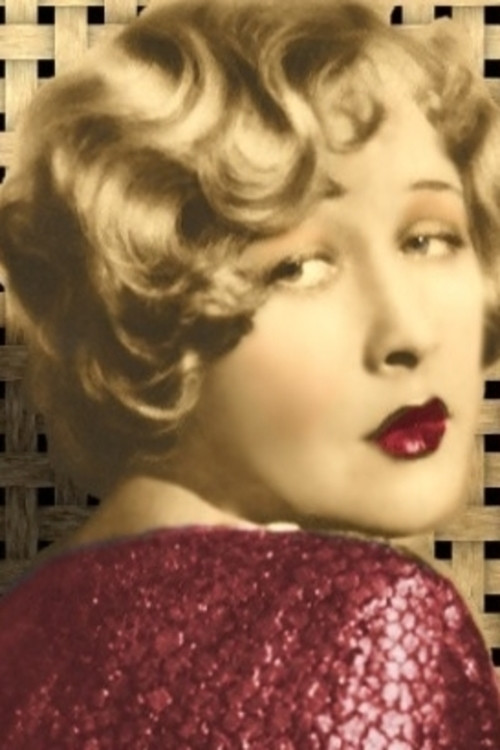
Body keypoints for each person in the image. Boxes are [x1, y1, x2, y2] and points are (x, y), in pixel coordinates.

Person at [0, 0, 499, 746]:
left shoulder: (20, 633)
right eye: (298, 266)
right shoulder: (371, 626)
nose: (408, 333)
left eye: (428, 238)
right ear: (148, 308)